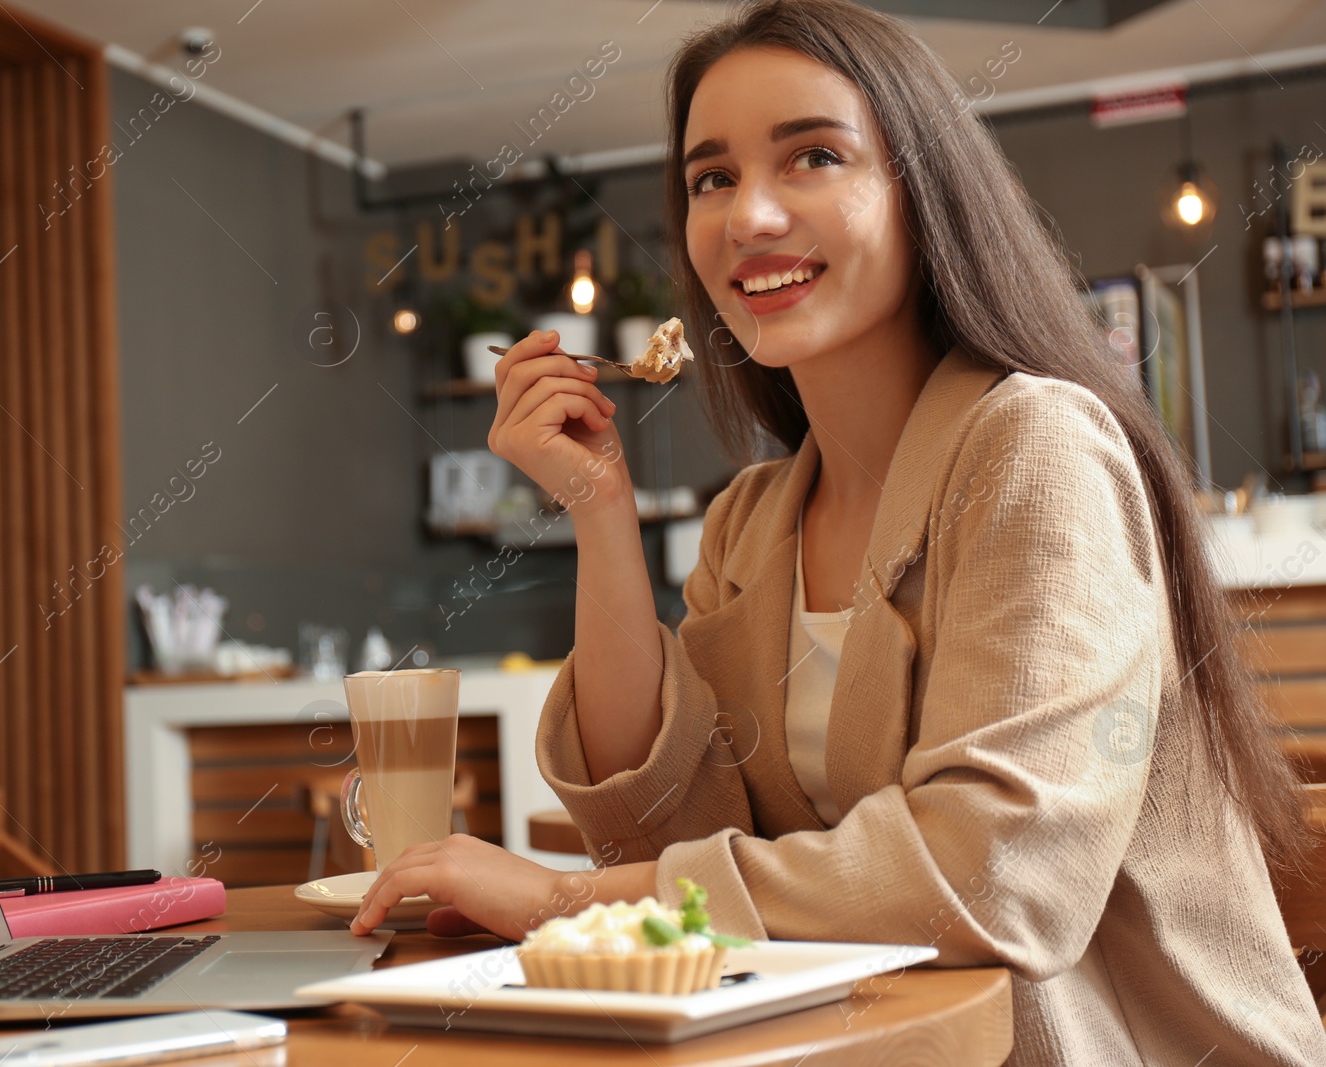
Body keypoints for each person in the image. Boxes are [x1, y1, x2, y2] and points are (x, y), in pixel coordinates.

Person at [351, 1, 1326, 1061]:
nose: (749, 216)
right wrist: (598, 512)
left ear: (923, 192)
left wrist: (559, 898)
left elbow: (993, 877)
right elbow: (673, 845)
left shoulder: (1034, 447)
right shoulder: (750, 521)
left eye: (812, 156)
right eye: (710, 177)